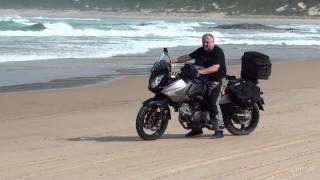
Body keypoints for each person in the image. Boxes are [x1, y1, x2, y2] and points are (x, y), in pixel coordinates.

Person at [171, 33, 227, 139]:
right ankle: (197, 128)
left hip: (216, 81)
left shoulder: (217, 51)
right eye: (204, 42)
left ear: (213, 42)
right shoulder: (201, 50)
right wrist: (173, 61)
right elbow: (187, 57)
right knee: (193, 100)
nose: (205, 44)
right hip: (203, 81)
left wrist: (200, 72)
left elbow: (215, 67)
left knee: (212, 102)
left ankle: (219, 129)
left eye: (207, 42)